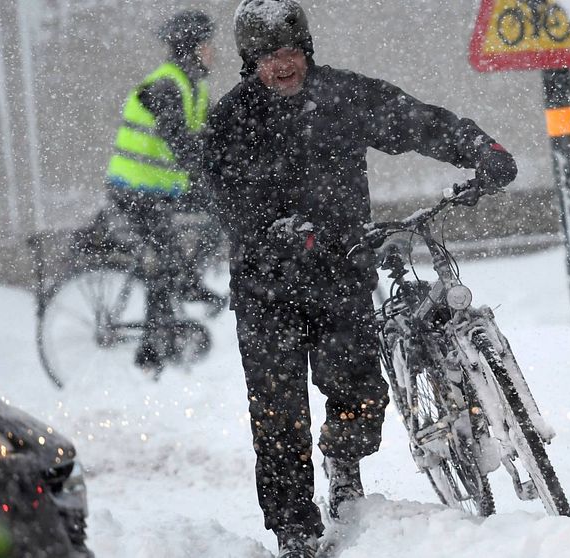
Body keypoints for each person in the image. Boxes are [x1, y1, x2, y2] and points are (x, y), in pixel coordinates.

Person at [203, 1, 517, 556]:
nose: (283, 65)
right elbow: (230, 201)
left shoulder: (341, 95)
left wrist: (478, 149)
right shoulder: (231, 119)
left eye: (292, 52)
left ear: (308, 50)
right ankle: (295, 531)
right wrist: (278, 229)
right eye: (268, 57)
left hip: (340, 272)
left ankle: (342, 459)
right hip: (266, 290)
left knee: (363, 394)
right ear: (249, 62)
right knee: (279, 413)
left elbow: (414, 120)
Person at [102, 9, 222, 371]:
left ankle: (170, 317)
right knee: (166, 256)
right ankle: (155, 344)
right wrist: (210, 181)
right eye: (207, 44)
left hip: (159, 188)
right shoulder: (166, 86)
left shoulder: (193, 84)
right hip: (135, 189)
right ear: (192, 47)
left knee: (171, 255)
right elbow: (183, 145)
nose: (213, 51)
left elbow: (210, 137)